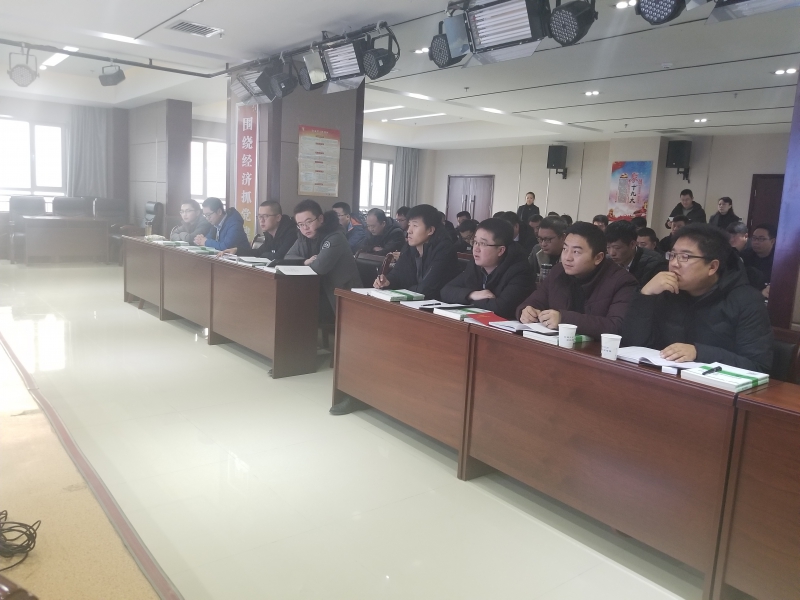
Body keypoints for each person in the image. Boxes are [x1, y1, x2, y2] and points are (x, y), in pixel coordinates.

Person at [622, 224, 773, 372]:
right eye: (672, 255)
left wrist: (700, 353)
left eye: (685, 257)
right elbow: (633, 345)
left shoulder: (747, 301)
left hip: (714, 385)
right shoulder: (666, 291)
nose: (674, 264)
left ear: (712, 267)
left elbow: (757, 366)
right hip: (664, 379)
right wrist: (645, 295)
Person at [516, 221, 637, 338]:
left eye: (576, 252)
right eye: (565, 249)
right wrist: (526, 311)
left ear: (598, 258)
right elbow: (534, 301)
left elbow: (616, 326)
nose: (567, 257)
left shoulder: (622, 282)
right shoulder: (558, 271)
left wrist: (563, 319)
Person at [441, 218, 535, 319]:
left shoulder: (520, 271)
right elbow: (446, 291)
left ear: (500, 250)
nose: (476, 249)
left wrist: (466, 300)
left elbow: (501, 308)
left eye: (483, 244)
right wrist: (472, 294)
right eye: (475, 242)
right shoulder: (475, 265)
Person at [285, 199, 362, 322]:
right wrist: (304, 262)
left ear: (320, 219)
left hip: (341, 295)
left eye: (308, 222)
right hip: (320, 291)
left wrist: (303, 264)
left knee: (296, 309)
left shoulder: (335, 237)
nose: (305, 228)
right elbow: (288, 258)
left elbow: (319, 268)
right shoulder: (304, 238)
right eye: (300, 224)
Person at [373, 204, 458, 300]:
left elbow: (427, 289)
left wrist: (403, 288)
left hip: (436, 305)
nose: (409, 231)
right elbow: (397, 273)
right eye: (409, 225)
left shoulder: (444, 249)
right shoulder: (410, 247)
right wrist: (387, 281)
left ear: (430, 230)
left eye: (415, 225)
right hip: (413, 301)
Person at [218, 201, 297, 261]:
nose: (261, 220)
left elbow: (279, 257)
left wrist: (263, 255)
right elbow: (259, 252)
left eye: (266, 216)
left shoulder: (291, 233)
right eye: (259, 216)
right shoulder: (269, 234)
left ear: (278, 218)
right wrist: (236, 251)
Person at [605, 220, 668, 286]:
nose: (611, 253)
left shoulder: (654, 264)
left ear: (632, 244)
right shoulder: (607, 261)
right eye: (608, 247)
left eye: (617, 247)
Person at [740, 223, 776, 298]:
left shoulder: (779, 260)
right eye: (754, 238)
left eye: (761, 239)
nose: (756, 242)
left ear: (772, 241)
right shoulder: (744, 256)